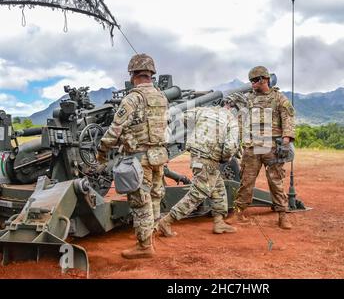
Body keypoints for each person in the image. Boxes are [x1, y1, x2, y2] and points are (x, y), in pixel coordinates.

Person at [96, 54, 169, 259]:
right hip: (159, 154)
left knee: (140, 200)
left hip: (140, 158)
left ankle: (144, 246)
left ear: (133, 74)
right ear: (151, 74)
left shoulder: (133, 98)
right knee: (155, 195)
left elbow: (114, 130)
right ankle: (151, 234)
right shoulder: (161, 97)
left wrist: (101, 153)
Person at [157, 99, 242, 237]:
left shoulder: (205, 110)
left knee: (218, 188)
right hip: (209, 160)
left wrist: (201, 131)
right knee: (197, 194)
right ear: (236, 109)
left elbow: (182, 118)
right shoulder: (231, 121)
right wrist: (225, 158)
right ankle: (167, 221)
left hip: (196, 157)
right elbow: (229, 148)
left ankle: (219, 222)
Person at [234, 66, 295, 230]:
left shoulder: (279, 98)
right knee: (246, 181)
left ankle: (282, 215)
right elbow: (241, 121)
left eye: (255, 80)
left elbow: (288, 119)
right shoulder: (248, 100)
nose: (252, 84)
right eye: (251, 81)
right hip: (252, 147)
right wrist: (237, 140)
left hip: (272, 146)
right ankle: (239, 213)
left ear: (265, 79)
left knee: (276, 181)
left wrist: (286, 140)